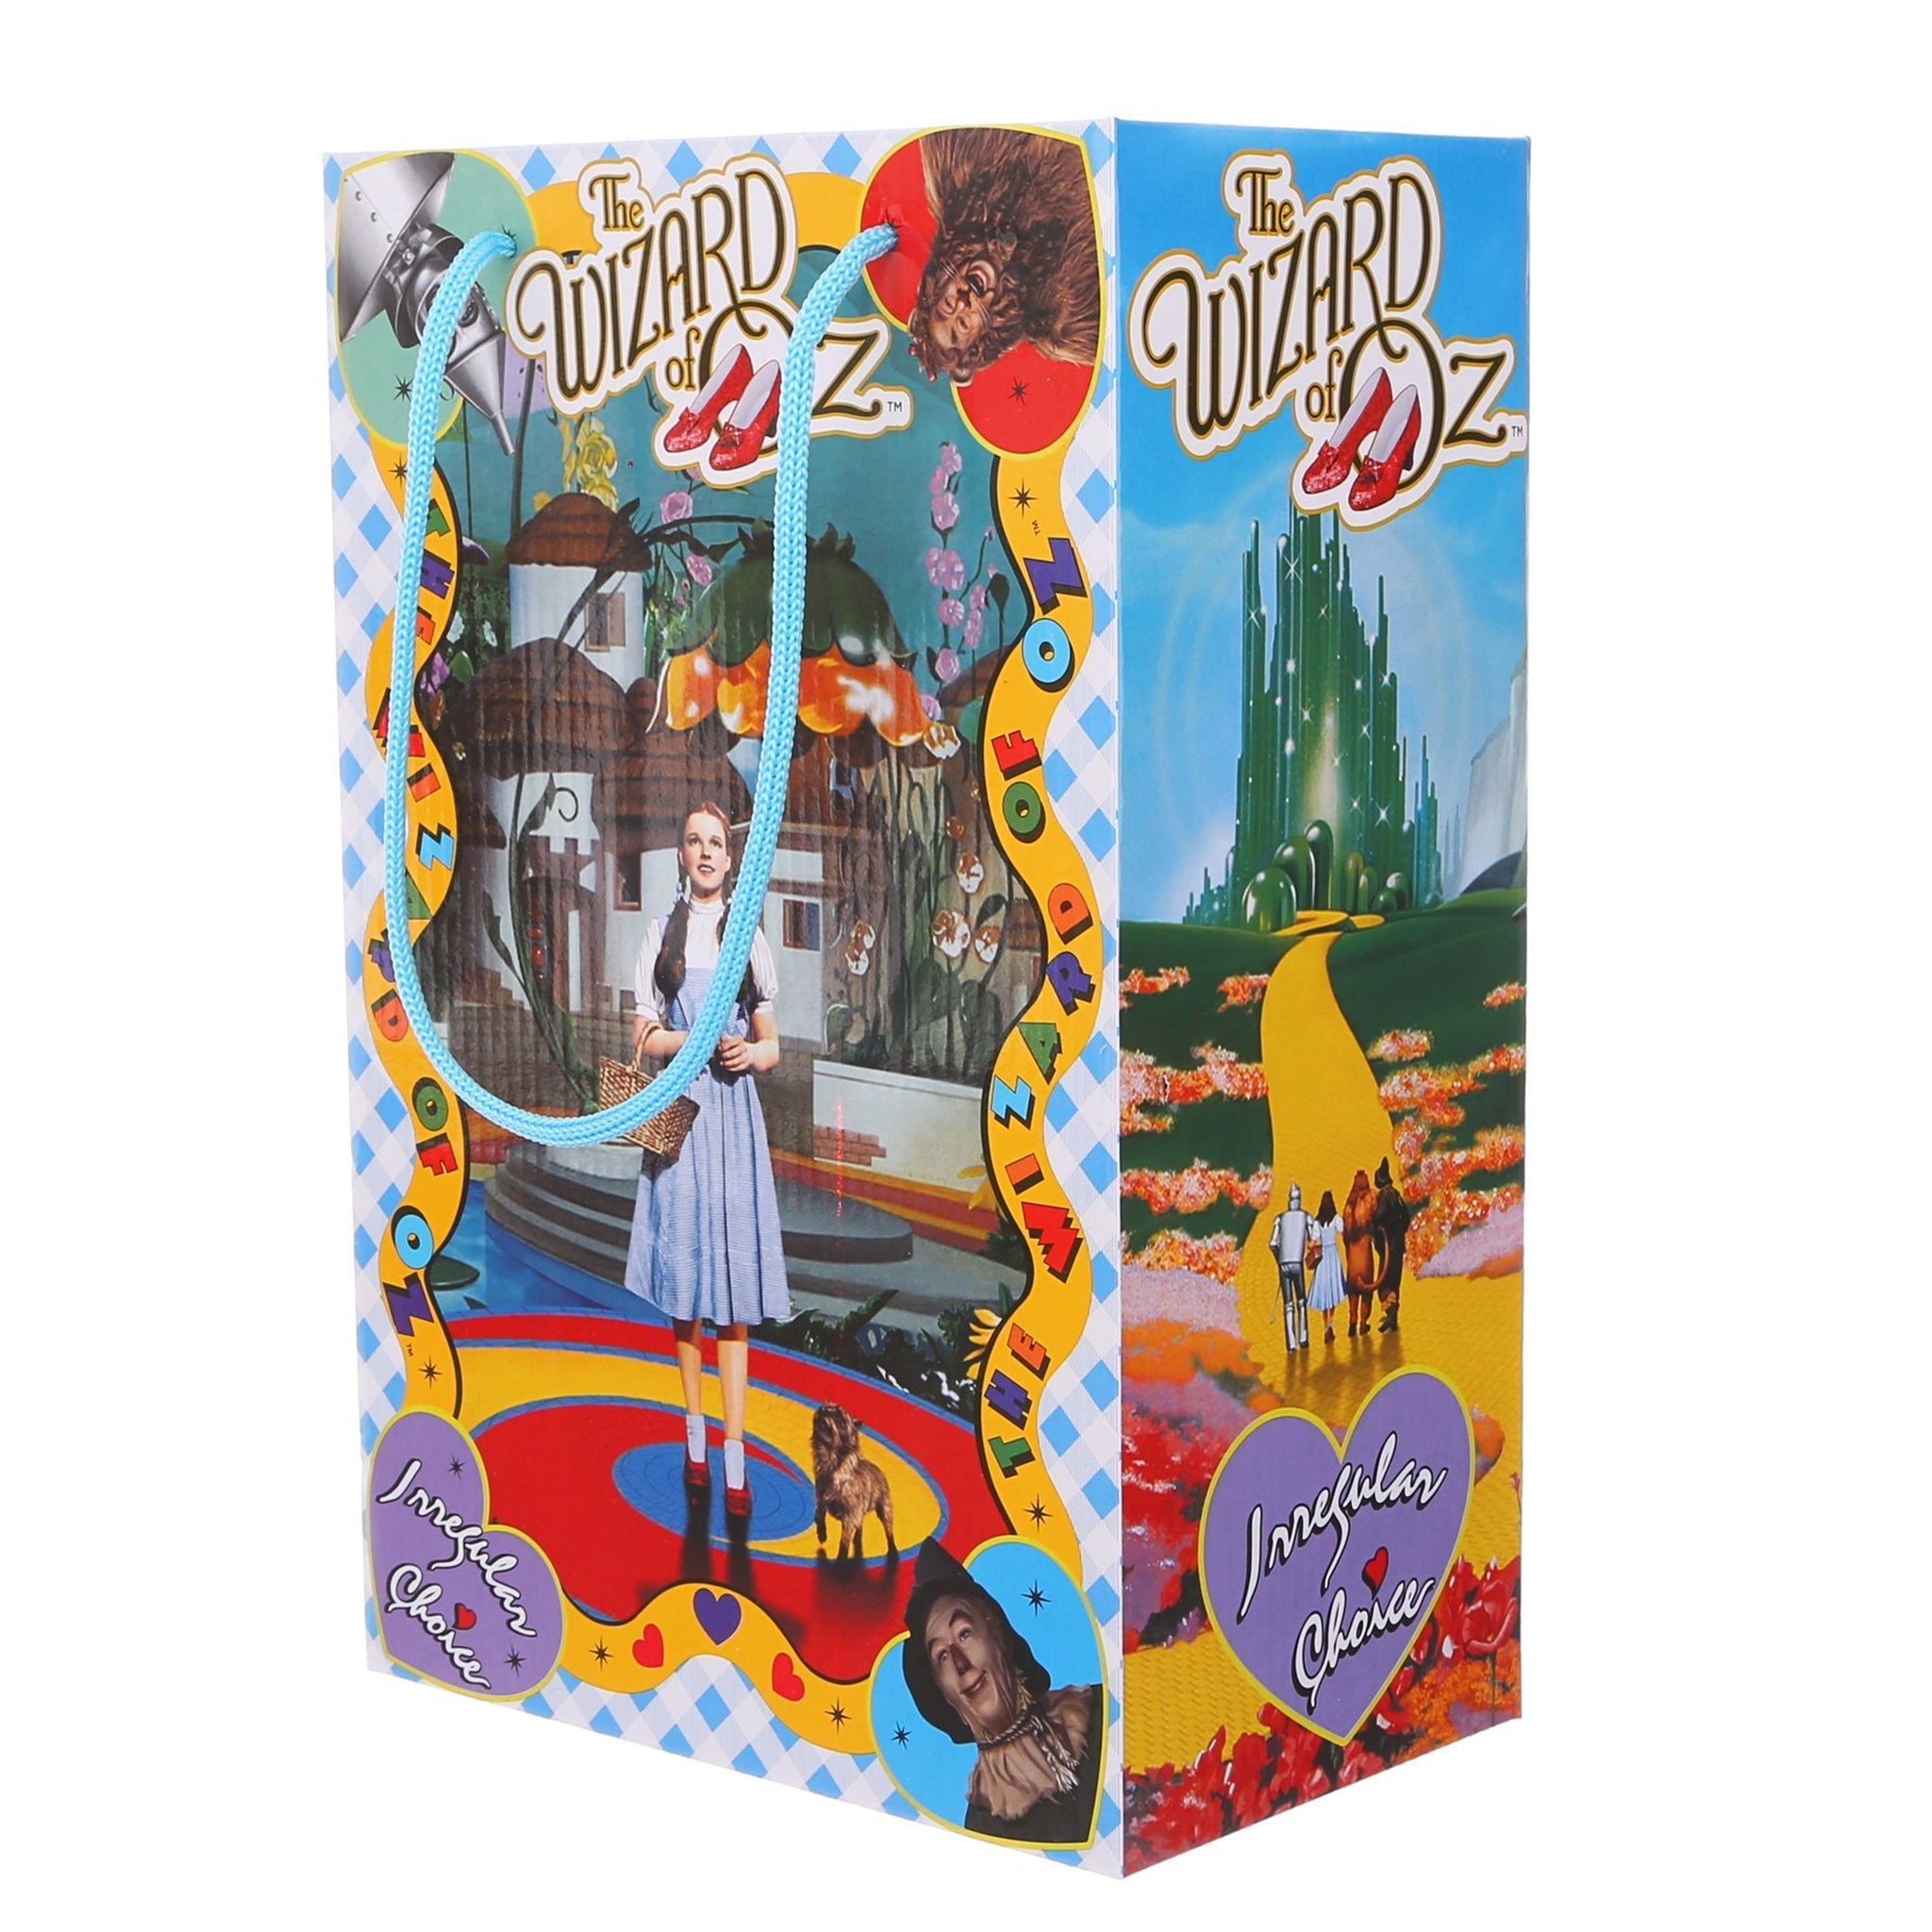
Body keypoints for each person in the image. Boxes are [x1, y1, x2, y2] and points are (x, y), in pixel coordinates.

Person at [623, 803, 789, 1524]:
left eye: (716, 842)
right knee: (686, 1291)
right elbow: (641, 1035)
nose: (707, 852)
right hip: (681, 1118)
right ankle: (694, 1436)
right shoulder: (661, 935)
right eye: (694, 841)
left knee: (736, 1297)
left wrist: (750, 1053)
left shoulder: (747, 935)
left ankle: (735, 1451)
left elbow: (773, 1043)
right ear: (682, 856)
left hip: (734, 1124)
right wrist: (684, 1044)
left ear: (729, 855)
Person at [900, 1542, 1102, 1846]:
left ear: (998, 1634)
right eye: (942, 1655)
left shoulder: (1096, 1712)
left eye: (964, 1634)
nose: (960, 1663)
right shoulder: (984, 1822)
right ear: (945, 1695)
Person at [1371, 1157, 1413, 1333]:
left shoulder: (1385, 1195)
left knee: (1384, 1284)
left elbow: (1379, 1216)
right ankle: (1393, 1319)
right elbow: (1407, 1218)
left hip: (1389, 1246)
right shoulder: (1396, 1195)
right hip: (1398, 1246)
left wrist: (1376, 1226)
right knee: (1395, 1282)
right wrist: (1400, 1232)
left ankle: (1390, 1314)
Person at [1269, 1183, 1311, 1351]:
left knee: (1288, 1304)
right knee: (1301, 1300)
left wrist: (1279, 1258)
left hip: (1283, 1264)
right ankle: (1303, 1337)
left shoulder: (1280, 1218)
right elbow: (1313, 1237)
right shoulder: (1305, 1216)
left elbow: (1273, 1243)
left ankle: (1291, 1343)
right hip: (1297, 1263)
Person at [1307, 1189, 1348, 1344]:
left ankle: (1326, 1327)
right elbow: (1343, 1231)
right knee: (1333, 1290)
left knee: (1325, 1292)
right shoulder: (1336, 1219)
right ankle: (1331, 1324)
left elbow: (1313, 1242)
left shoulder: (1317, 1222)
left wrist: (1307, 1244)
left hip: (1323, 1255)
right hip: (1333, 1255)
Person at [1342, 1167, 1377, 1338]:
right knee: (1367, 1289)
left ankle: (1353, 1318)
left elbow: (1345, 1232)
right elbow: (1376, 1218)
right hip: (1365, 1253)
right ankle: (1363, 1322)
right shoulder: (1370, 1198)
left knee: (1353, 1289)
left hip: (1352, 1254)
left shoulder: (1349, 1204)